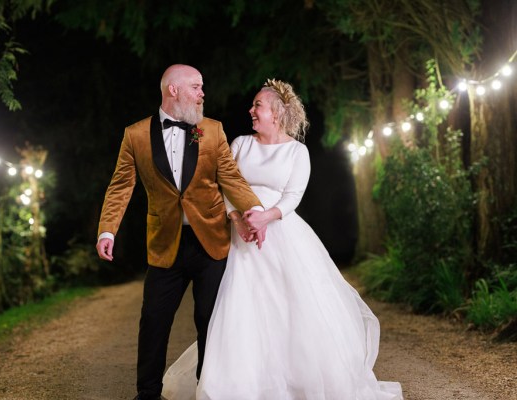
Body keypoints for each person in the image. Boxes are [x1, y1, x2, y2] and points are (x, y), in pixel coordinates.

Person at [161, 79, 404, 399]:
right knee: (241, 309)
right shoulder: (241, 144)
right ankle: (239, 384)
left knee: (290, 308)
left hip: (281, 235)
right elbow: (224, 184)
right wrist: (238, 218)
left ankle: (297, 381)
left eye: (257, 106)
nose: (251, 110)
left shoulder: (296, 151)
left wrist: (265, 216)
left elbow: (293, 196)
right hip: (240, 239)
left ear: (276, 113)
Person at [96, 64, 263, 400]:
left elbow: (229, 176)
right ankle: (147, 393)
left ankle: (208, 389)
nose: (203, 93)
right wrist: (107, 231)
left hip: (211, 242)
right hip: (164, 244)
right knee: (154, 320)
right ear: (173, 90)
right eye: (196, 87)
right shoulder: (135, 135)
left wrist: (254, 209)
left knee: (209, 320)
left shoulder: (211, 130)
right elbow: (120, 186)